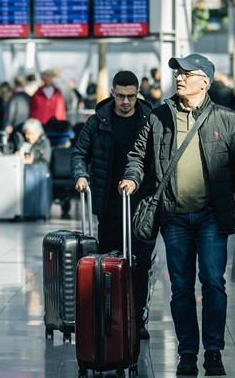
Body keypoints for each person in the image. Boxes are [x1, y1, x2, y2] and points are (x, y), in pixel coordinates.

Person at [121, 54, 235, 376]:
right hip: (174, 216)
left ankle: (213, 351)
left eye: (187, 74)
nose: (179, 78)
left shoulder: (226, 119)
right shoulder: (158, 116)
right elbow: (139, 155)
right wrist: (132, 177)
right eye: (178, 73)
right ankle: (187, 353)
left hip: (212, 215)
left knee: (213, 283)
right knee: (181, 287)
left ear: (204, 81)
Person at [71, 70, 155, 339]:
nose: (126, 102)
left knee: (140, 262)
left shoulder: (149, 120)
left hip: (142, 205)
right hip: (109, 204)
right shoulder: (98, 121)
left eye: (131, 96)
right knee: (107, 262)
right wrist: (80, 174)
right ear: (112, 93)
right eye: (120, 96)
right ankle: (109, 315)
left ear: (138, 94)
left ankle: (138, 316)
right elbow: (79, 153)